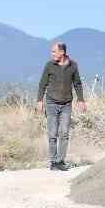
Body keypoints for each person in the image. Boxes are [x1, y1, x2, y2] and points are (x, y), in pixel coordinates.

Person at [36, 41, 86, 171]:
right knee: (52, 133)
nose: (52, 54)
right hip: (51, 103)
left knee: (64, 133)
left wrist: (81, 100)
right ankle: (53, 161)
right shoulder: (49, 65)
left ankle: (60, 161)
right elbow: (42, 84)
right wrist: (40, 101)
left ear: (62, 52)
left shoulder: (73, 66)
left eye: (54, 51)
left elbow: (78, 84)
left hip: (66, 104)